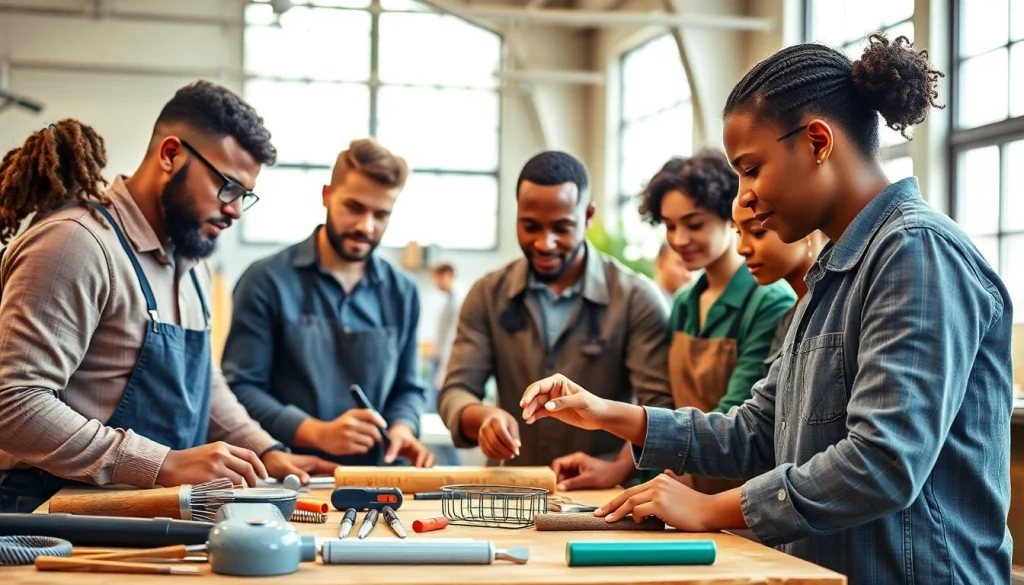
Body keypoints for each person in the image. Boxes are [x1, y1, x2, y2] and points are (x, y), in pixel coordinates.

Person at [518, 33, 1012, 585]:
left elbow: (883, 464)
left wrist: (711, 510)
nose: (742, 199)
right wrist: (609, 413)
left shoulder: (916, 252)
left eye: (752, 169)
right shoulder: (829, 278)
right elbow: (757, 431)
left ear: (818, 142)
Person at [0, 81, 338, 514]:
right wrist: (162, 464)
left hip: (145, 514)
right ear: (170, 154)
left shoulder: (192, 262)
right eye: (228, 186)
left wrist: (265, 451)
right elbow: (14, 403)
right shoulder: (77, 244)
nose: (235, 209)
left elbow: (203, 385)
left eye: (244, 196)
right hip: (52, 519)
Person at [437, 150, 672, 476]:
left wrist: (618, 468)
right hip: (509, 495)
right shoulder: (487, 295)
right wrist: (482, 417)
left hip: (603, 500)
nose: (545, 244)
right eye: (530, 227)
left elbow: (660, 409)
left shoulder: (636, 299)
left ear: (588, 216)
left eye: (562, 228)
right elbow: (455, 390)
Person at [221, 138, 435, 468]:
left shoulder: (402, 292)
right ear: (327, 195)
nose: (366, 226)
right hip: (291, 476)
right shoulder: (266, 280)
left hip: (379, 478)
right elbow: (241, 389)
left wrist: (404, 427)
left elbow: (408, 388)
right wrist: (316, 432)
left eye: (381, 214)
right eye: (354, 207)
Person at [731, 198, 826, 373]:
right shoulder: (788, 319)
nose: (741, 248)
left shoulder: (834, 310)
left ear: (805, 228)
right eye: (738, 233)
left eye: (757, 231)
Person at [428, 262, 464, 394]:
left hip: (448, 361)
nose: (435, 283)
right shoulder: (450, 299)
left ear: (447, 275)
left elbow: (452, 336)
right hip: (441, 358)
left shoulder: (458, 300)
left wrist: (443, 370)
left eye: (436, 278)